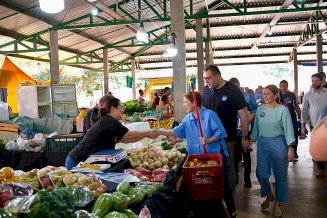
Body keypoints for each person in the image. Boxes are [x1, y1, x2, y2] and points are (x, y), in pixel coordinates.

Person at [157, 92, 231, 215]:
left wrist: (209, 140)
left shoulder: (209, 115)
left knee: (221, 186)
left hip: (212, 158)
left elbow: (221, 132)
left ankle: (230, 210)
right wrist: (161, 133)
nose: (183, 105)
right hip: (196, 159)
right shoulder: (188, 118)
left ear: (194, 102)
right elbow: (177, 132)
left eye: (185, 102)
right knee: (201, 188)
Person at [202, 65, 250, 218]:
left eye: (208, 78)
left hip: (227, 139)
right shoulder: (207, 90)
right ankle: (215, 197)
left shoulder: (232, 90)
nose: (207, 81)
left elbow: (243, 115)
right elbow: (203, 112)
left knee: (228, 168)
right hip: (209, 141)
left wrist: (244, 137)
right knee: (211, 168)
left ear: (217, 76)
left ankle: (229, 197)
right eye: (205, 79)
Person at [65, 95, 159, 170]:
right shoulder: (109, 121)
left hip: (82, 160)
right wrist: (147, 133)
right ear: (113, 109)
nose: (123, 110)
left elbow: (126, 139)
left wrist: (146, 134)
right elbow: (129, 136)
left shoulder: (108, 120)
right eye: (121, 107)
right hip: (77, 162)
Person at [250, 85, 295, 217]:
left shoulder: (283, 110)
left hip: (278, 143)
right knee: (261, 173)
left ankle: (278, 204)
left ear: (276, 95)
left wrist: (290, 148)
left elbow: (288, 129)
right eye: (264, 93)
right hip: (263, 143)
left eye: (268, 94)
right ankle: (269, 194)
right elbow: (256, 128)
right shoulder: (260, 109)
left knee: (280, 175)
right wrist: (250, 140)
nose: (265, 96)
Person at [229, 77, 257, 188]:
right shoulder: (228, 96)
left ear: (239, 85)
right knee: (234, 157)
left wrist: (246, 122)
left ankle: (247, 179)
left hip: (245, 132)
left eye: (236, 87)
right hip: (232, 132)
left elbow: (255, 111)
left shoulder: (248, 96)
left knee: (246, 155)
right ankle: (235, 177)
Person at [301, 73, 327, 178]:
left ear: (322, 81)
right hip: (314, 125)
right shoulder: (307, 95)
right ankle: (321, 169)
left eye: (316, 80)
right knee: (318, 147)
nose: (314, 82)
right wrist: (302, 126)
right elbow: (304, 111)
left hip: (326, 125)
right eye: (312, 81)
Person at [279, 80, 301, 160]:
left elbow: (296, 106)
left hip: (292, 118)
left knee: (294, 135)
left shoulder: (291, 95)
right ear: (279, 86)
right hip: (281, 120)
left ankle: (294, 151)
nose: (284, 87)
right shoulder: (277, 95)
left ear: (287, 86)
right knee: (283, 136)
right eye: (282, 86)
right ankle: (285, 152)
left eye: (285, 86)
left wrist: (300, 117)